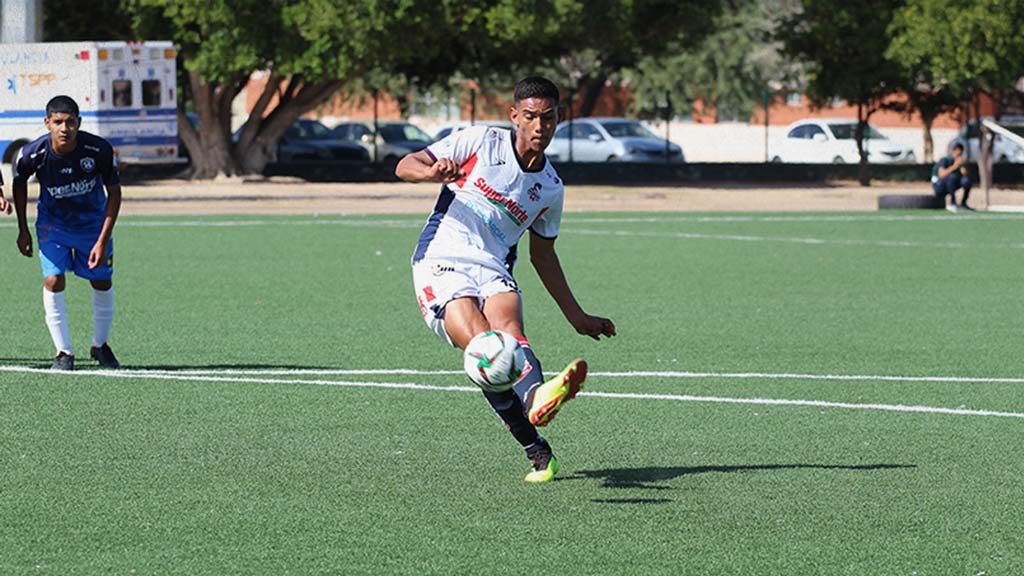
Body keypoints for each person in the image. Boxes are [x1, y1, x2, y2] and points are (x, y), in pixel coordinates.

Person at [395, 76, 616, 483]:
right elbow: (405, 164)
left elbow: (543, 255)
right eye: (529, 117)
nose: (538, 126)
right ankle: (535, 447)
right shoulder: (481, 142)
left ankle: (538, 397)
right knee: (485, 347)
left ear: (558, 120)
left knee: (509, 334)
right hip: (441, 259)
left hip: (494, 266)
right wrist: (431, 173)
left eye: (547, 118)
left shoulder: (550, 188)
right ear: (514, 116)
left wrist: (577, 316)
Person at [12, 95, 122, 371]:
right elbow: (19, 183)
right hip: (53, 227)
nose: (64, 128)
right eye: (58, 122)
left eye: (70, 122)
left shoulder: (98, 150)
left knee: (101, 282)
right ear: (47, 123)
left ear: (79, 123)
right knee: (53, 280)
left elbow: (115, 194)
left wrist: (102, 239)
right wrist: (23, 229)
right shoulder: (33, 154)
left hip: (92, 226)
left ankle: (100, 346)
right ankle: (64, 352)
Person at [932, 143, 974, 211]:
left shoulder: (960, 162)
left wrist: (963, 169)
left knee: (967, 181)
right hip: (939, 185)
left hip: (952, 184)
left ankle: (963, 203)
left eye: (960, 154)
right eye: (958, 154)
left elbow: (965, 177)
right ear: (953, 151)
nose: (959, 156)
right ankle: (953, 202)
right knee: (952, 177)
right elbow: (941, 175)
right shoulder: (945, 160)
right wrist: (955, 166)